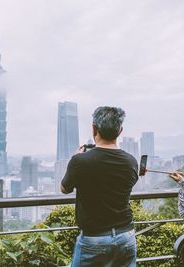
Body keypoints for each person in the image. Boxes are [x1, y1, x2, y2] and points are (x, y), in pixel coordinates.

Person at [61, 106, 138, 267]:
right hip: (126, 235)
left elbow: (64, 188)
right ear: (120, 130)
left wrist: (75, 159)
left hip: (94, 239)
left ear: (94, 128)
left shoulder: (80, 162)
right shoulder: (131, 161)